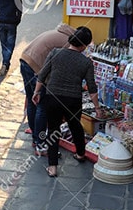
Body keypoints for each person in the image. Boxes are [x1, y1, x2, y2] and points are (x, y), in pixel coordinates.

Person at [32, 27, 98, 177]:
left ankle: (53, 167)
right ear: (84, 45)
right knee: (75, 126)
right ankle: (81, 154)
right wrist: (97, 108)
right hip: (73, 100)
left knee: (53, 130)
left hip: (53, 97)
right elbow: (92, 87)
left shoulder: (55, 53)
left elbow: (42, 75)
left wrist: (36, 92)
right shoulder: (86, 62)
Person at [20, 23, 77, 156]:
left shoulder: (57, 33)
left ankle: (36, 137)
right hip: (36, 67)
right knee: (42, 106)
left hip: (25, 60)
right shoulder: (68, 43)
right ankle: (40, 144)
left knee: (31, 100)